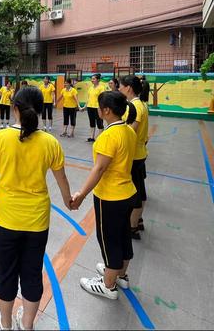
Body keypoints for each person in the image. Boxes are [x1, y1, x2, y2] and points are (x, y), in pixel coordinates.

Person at [0, 87, 72, 331]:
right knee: (32, 273)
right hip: (37, 220)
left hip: (5, 219)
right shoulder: (50, 143)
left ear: (15, 109)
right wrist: (69, 200)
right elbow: (62, 180)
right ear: (40, 110)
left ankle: (6, 324)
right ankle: (28, 324)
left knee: (6, 273)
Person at [71, 91, 138, 300]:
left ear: (106, 110)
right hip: (128, 192)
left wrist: (81, 194)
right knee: (124, 235)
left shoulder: (107, 136)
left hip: (110, 197)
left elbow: (99, 170)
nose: (98, 109)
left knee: (109, 240)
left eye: (99, 107)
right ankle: (121, 275)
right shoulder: (129, 131)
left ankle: (108, 285)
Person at [119, 75, 149, 240]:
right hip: (140, 153)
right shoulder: (140, 104)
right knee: (140, 189)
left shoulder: (134, 106)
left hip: (134, 156)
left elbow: (130, 133)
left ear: (129, 88)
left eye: (121, 86)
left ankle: (132, 227)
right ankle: (138, 220)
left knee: (135, 193)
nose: (120, 89)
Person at [81, 73, 105, 142]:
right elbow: (88, 99)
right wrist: (84, 107)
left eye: (94, 79)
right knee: (92, 122)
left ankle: (100, 138)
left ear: (98, 80)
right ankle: (92, 137)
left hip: (98, 108)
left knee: (99, 123)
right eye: (92, 79)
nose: (92, 80)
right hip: (90, 107)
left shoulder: (101, 88)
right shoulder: (90, 88)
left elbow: (102, 99)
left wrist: (101, 108)